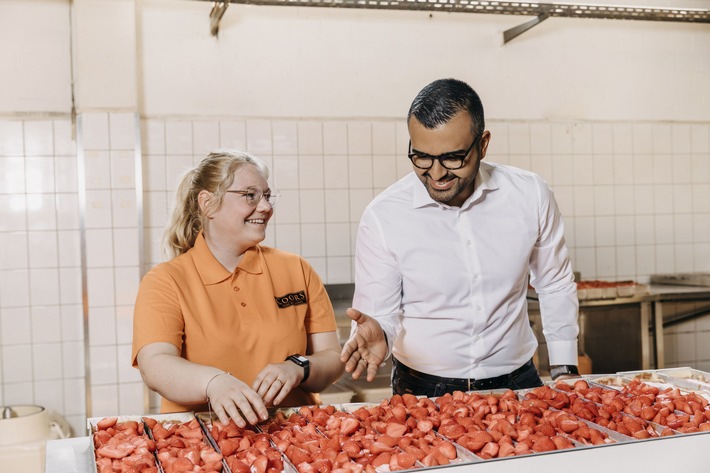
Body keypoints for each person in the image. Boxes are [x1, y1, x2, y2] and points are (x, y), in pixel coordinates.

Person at [340, 78, 580, 397]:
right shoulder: (383, 215)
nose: (436, 174)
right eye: (421, 157)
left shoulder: (530, 194)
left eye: (453, 158)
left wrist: (564, 367)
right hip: (421, 389)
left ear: (482, 145)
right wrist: (380, 334)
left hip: (517, 382)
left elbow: (554, 283)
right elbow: (380, 312)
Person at [132, 150, 344, 427]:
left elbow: (332, 357)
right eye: (250, 195)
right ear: (208, 204)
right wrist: (213, 382)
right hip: (203, 443)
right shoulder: (166, 281)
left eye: (267, 196)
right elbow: (155, 364)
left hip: (294, 435)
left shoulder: (296, 269)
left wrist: (298, 367)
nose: (265, 207)